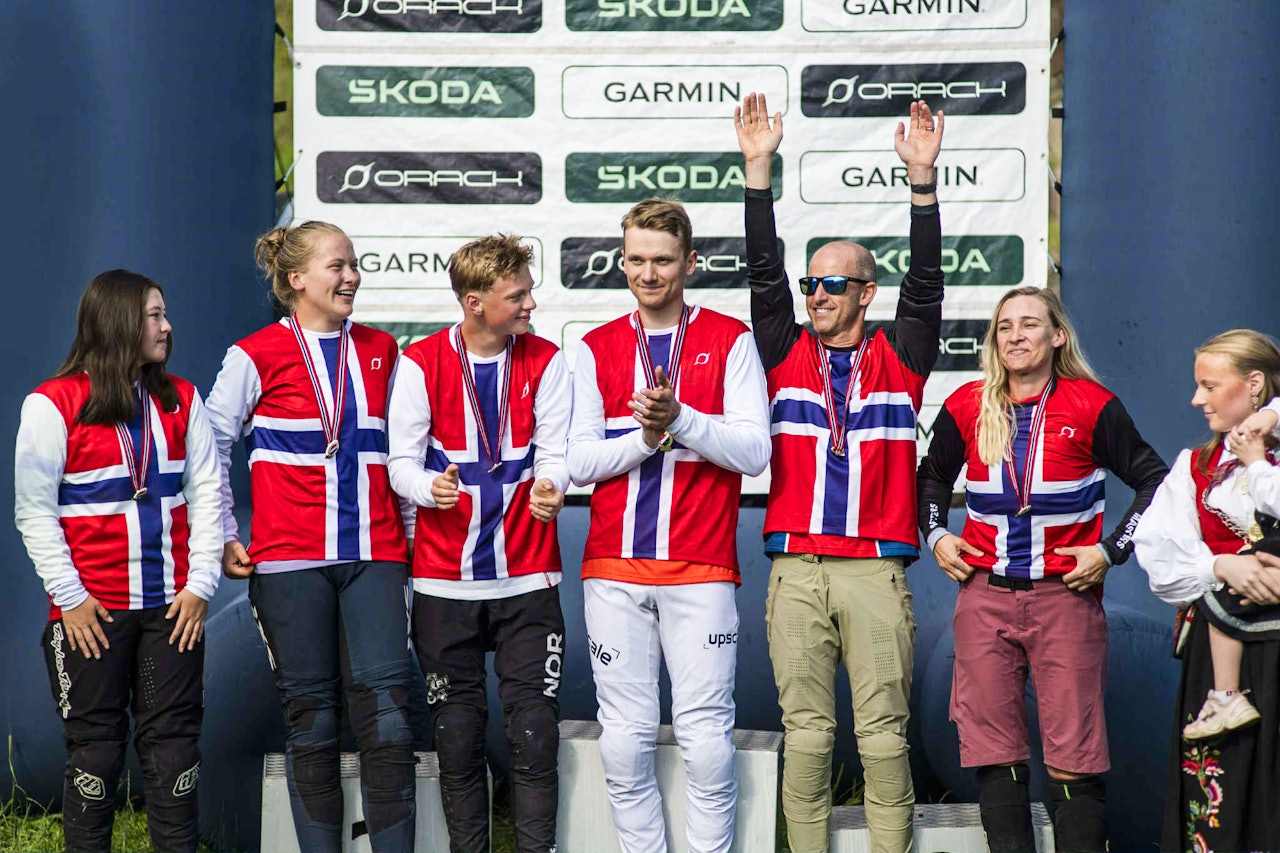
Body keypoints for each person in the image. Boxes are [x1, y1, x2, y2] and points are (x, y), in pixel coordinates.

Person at [734, 92, 942, 853]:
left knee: (885, 737)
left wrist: (922, 183)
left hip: (874, 573)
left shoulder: (905, 353)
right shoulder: (786, 351)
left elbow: (927, 281)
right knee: (809, 734)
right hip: (795, 567)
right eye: (811, 284)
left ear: (866, 293)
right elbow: (763, 270)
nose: (815, 295)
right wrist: (759, 172)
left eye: (832, 285)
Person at [916, 285, 1168, 853]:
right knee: (992, 749)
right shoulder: (966, 403)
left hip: (1065, 598)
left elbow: (1156, 480)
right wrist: (937, 535)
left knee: (1074, 754)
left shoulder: (1091, 404)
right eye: (1005, 327)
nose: (1015, 336)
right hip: (984, 596)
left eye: (1029, 325)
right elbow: (929, 476)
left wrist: (1110, 551)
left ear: (1057, 336)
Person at [566, 197, 771, 853]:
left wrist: (679, 417)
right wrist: (649, 438)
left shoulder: (729, 339)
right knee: (623, 739)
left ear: (690, 263)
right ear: (621, 261)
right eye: (636, 260)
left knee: (706, 733)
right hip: (614, 566)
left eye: (661, 260)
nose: (648, 273)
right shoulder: (594, 346)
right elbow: (577, 462)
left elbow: (754, 450)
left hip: (701, 562)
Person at [205, 222, 415, 853]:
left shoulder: (384, 350)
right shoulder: (255, 354)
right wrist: (222, 532)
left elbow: (402, 455)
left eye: (354, 264)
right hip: (290, 563)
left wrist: (408, 546)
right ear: (296, 280)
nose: (350, 276)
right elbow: (208, 446)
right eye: (336, 266)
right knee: (314, 723)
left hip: (375, 556)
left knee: (389, 723)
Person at [15, 270, 222, 852]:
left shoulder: (182, 399)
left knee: (174, 748)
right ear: (120, 322)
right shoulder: (51, 404)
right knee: (96, 754)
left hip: (173, 611)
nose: (167, 326)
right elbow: (33, 513)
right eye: (155, 315)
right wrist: (73, 599)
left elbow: (209, 496)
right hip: (91, 617)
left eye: (164, 314)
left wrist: (201, 585)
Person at [387, 235, 569, 853]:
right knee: (458, 738)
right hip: (444, 582)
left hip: (529, 578)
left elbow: (557, 452)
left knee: (535, 733)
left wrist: (552, 485)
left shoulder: (546, 359)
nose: (530, 305)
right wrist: (427, 488)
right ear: (474, 302)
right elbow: (399, 464)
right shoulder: (421, 363)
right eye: (516, 296)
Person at [1132, 329, 1280, 852]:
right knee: (1220, 789)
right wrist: (1223, 565)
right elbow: (1158, 558)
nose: (1197, 399)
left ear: (1255, 385)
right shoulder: (1192, 469)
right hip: (1222, 660)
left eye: (1209, 386)